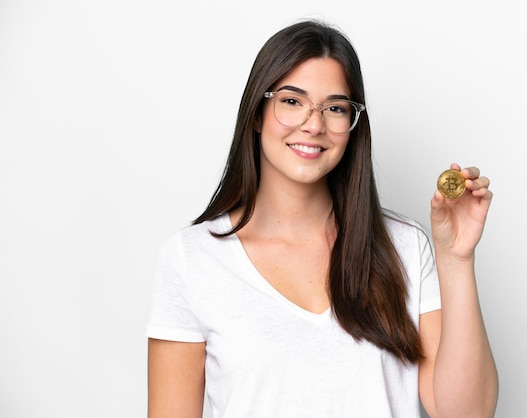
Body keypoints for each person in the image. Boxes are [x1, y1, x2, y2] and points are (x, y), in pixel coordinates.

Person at [146, 19, 498, 418]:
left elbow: (468, 414)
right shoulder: (193, 259)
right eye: (292, 101)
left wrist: (457, 259)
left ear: (353, 124)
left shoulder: (404, 246)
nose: (314, 124)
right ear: (257, 113)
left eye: (334, 108)